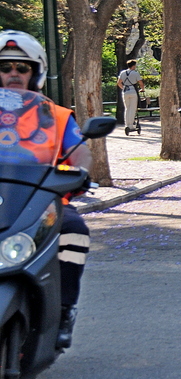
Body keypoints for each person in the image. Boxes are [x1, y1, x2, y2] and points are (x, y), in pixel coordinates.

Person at [0, 30, 92, 349]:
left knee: (75, 229)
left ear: (35, 72)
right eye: (5, 67)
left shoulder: (56, 116)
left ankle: (64, 309)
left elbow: (80, 152)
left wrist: (80, 173)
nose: (13, 73)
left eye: (21, 67)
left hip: (40, 202)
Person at [116, 59, 144, 133]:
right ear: (133, 66)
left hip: (125, 91)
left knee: (127, 108)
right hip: (133, 91)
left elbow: (119, 83)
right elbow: (141, 83)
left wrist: (123, 88)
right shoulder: (135, 73)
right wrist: (142, 89)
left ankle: (127, 125)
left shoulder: (123, 72)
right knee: (132, 109)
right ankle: (131, 125)